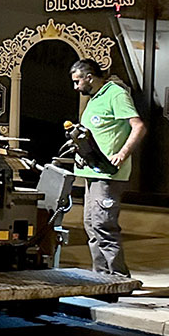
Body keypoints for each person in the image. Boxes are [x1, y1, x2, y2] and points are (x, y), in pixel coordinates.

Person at [69, 58, 146, 276]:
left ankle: (118, 277)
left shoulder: (116, 94)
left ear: (89, 78)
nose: (75, 87)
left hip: (107, 174)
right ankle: (100, 276)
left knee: (104, 225)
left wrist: (122, 154)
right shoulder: (94, 99)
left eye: (77, 82)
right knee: (91, 226)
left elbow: (138, 127)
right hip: (90, 172)